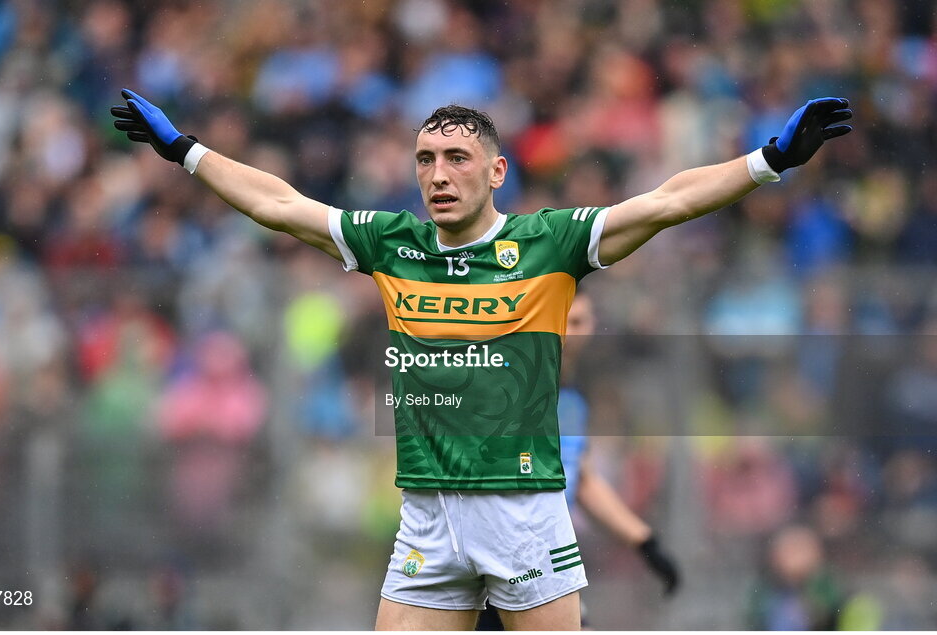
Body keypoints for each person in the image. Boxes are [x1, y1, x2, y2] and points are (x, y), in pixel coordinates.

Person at [111, 90, 851, 630]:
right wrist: (186, 152)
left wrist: (771, 159)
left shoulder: (548, 243)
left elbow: (666, 202)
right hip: (427, 516)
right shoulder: (391, 241)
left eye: (456, 158)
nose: (437, 173)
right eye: (425, 159)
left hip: (522, 514)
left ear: (496, 171)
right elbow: (279, 204)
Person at [475, 294, 680, 631]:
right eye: (562, 320)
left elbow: (580, 479)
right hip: (500, 568)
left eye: (578, 322)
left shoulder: (570, 400)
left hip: (543, 563)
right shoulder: (509, 389)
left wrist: (645, 543)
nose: (569, 332)